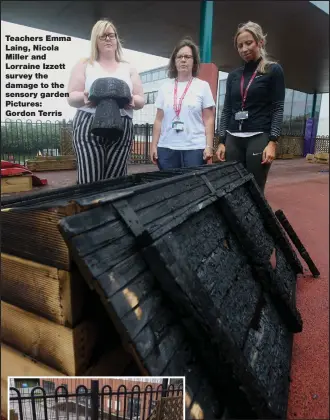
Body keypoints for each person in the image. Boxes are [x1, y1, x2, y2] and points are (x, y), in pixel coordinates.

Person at [67, 19, 144, 184]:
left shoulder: (128, 67)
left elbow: (140, 99)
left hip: (122, 122)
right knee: (90, 180)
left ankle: (110, 209)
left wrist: (131, 100)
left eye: (111, 35)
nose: (108, 39)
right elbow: (71, 96)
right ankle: (90, 208)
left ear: (117, 39)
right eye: (103, 36)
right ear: (95, 40)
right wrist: (84, 96)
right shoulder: (85, 64)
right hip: (89, 121)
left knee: (115, 181)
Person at [216, 21, 285, 193]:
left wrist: (272, 142)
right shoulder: (233, 76)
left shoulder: (273, 70)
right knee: (232, 188)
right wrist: (221, 141)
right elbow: (226, 110)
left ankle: (256, 220)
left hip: (258, 137)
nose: (244, 49)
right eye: (240, 45)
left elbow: (277, 108)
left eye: (249, 43)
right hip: (233, 138)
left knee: (255, 188)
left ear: (260, 42)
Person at [150, 38, 215, 169]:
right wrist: (153, 145)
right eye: (179, 57)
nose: (183, 60)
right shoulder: (165, 87)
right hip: (166, 148)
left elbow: (209, 119)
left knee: (193, 187)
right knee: (168, 187)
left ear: (194, 61)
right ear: (174, 61)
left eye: (187, 57)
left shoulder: (202, 86)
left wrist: (208, 146)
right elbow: (158, 120)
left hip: (195, 149)